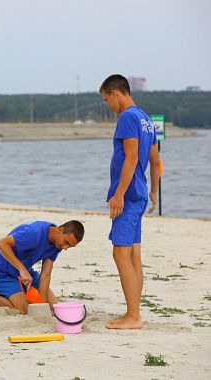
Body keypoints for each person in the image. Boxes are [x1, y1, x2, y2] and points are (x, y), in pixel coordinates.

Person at [100, 74, 161, 330]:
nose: (108, 105)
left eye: (106, 99)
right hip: (139, 193)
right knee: (134, 256)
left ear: (116, 93)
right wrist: (154, 192)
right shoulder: (146, 119)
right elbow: (156, 162)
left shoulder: (127, 117)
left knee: (120, 254)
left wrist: (119, 194)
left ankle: (133, 316)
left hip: (127, 195)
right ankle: (134, 314)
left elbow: (132, 157)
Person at [0, 220, 84, 315]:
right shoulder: (34, 233)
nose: (65, 248)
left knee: (55, 308)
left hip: (26, 272)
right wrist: (22, 269)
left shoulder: (58, 244)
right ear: (60, 229)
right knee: (24, 310)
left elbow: (45, 275)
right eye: (66, 242)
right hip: (2, 272)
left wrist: (43, 306)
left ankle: (9, 297)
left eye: (70, 246)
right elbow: (1, 244)